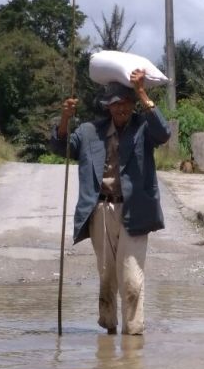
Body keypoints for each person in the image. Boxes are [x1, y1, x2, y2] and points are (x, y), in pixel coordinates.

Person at [49, 69, 171, 335]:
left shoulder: (143, 127)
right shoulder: (89, 132)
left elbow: (164, 133)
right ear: (108, 106)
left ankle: (133, 334)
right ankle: (109, 330)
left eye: (126, 102)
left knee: (132, 280)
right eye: (116, 103)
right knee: (107, 277)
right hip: (101, 211)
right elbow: (61, 148)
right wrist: (65, 118)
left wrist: (142, 91)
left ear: (133, 104)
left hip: (136, 211)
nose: (121, 108)